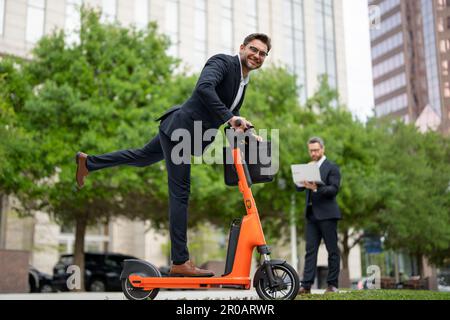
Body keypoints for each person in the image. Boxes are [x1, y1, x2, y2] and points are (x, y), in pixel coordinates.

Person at [75, 33, 271, 277]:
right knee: (180, 192)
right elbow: (204, 88)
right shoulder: (222, 62)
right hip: (181, 131)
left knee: (141, 156)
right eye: (254, 49)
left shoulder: (243, 82)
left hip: (184, 132)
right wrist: (230, 118)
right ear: (242, 48)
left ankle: (88, 162)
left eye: (263, 54)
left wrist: (249, 133)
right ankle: (180, 261)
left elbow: (232, 109)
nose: (257, 56)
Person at [295, 137, 342, 294]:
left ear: (323, 149)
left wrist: (316, 187)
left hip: (328, 215)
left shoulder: (332, 167)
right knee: (310, 251)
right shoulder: (308, 166)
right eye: (311, 151)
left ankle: (332, 285)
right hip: (312, 215)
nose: (313, 153)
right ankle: (306, 285)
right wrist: (301, 181)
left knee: (332, 250)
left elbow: (333, 190)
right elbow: (299, 188)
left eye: (316, 150)